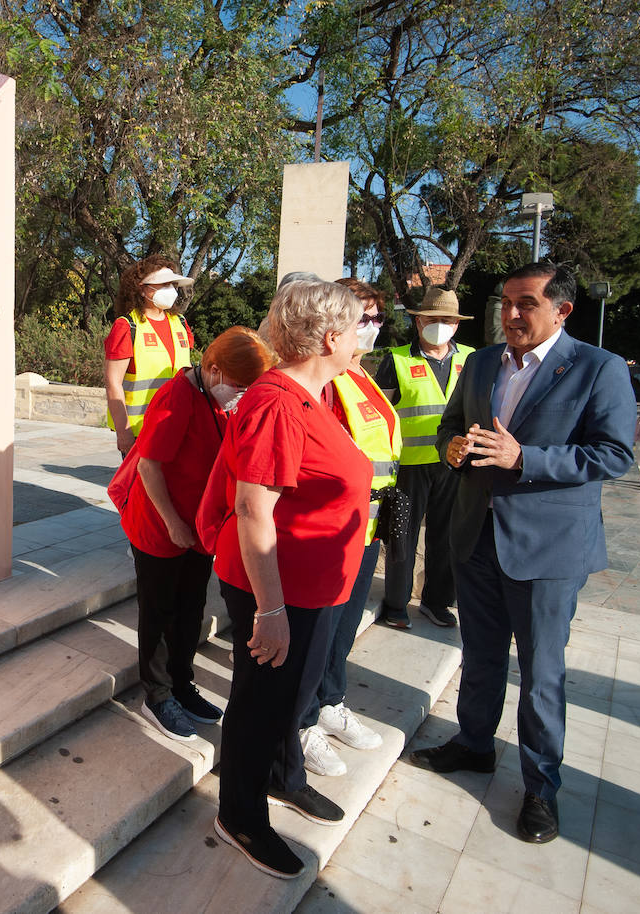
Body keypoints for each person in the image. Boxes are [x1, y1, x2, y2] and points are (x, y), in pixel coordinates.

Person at [412, 262, 635, 845]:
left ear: (562, 310)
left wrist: (525, 459)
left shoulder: (598, 368)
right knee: (480, 652)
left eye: (526, 303)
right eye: (505, 303)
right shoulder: (481, 362)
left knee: (541, 672)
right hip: (475, 535)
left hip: (549, 547)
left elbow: (614, 455)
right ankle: (474, 744)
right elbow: (448, 427)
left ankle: (541, 786)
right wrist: (452, 447)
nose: (510, 315)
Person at [198, 279, 372, 879]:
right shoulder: (276, 403)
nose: (361, 342)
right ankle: (240, 813)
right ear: (329, 337)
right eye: (356, 330)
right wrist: (270, 611)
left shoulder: (311, 394)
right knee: (261, 703)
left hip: (313, 585)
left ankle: (281, 776)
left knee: (290, 700)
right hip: (279, 592)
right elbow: (253, 508)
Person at [116, 327, 276, 742]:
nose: (241, 395)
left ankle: (181, 684)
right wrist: (173, 523)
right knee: (159, 610)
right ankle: (157, 694)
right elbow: (150, 466)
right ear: (215, 369)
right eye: (239, 386)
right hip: (160, 523)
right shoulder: (177, 396)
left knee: (190, 609)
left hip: (197, 527)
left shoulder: (218, 399)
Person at [297, 278, 400, 777]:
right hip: (334, 532)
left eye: (377, 317)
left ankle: (331, 701)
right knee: (319, 632)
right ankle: (304, 722)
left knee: (343, 631)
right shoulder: (323, 383)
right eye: (363, 318)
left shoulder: (363, 375)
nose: (372, 327)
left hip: (370, 526)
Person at [372, 286, 474, 629]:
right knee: (402, 536)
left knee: (446, 536)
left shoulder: (471, 359)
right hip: (409, 467)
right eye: (432, 319)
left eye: (446, 320)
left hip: (455, 464)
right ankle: (396, 604)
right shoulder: (396, 359)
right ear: (418, 322)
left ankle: (437, 601)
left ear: (456, 325)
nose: (439, 326)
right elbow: (379, 410)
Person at [104, 257, 195, 456]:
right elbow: (113, 383)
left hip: (177, 425)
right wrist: (124, 432)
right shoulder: (126, 326)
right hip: (140, 430)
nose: (170, 289)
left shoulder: (179, 323)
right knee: (141, 487)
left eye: (171, 284)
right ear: (141, 289)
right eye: (162, 284)